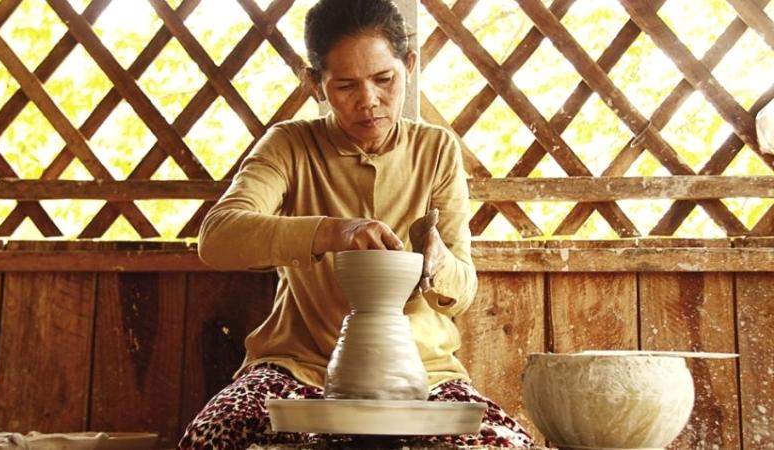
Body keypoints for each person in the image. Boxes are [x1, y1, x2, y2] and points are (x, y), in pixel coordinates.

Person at [179, 0, 534, 448]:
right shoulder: (290, 144)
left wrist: (438, 263)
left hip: (421, 375)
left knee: (504, 444)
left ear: (409, 65)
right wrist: (331, 231)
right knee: (214, 435)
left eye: (384, 80)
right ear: (315, 84)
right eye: (345, 85)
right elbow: (218, 237)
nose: (369, 101)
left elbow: (462, 291)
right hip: (298, 366)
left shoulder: (436, 149)